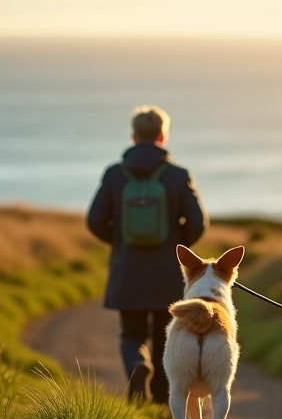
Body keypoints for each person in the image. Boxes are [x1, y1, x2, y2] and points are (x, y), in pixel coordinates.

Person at [87, 106, 208, 403]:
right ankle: (160, 398)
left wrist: (119, 241)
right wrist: (178, 247)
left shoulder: (115, 174)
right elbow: (197, 223)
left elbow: (94, 221)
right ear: (162, 136)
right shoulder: (178, 175)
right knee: (165, 334)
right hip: (168, 269)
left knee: (131, 333)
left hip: (128, 267)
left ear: (134, 136)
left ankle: (137, 366)